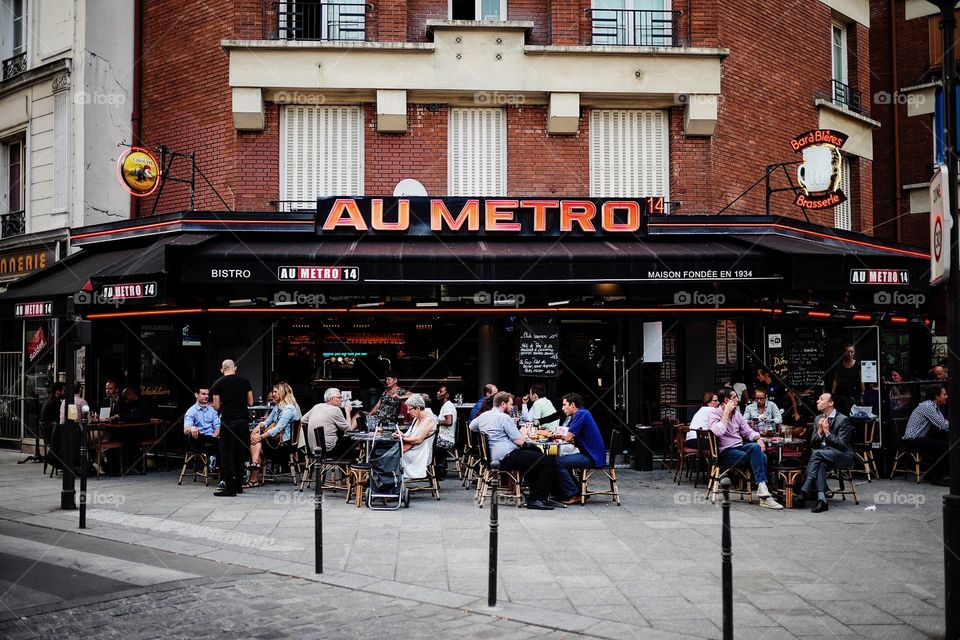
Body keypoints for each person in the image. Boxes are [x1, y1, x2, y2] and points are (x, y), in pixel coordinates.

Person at [470, 391, 558, 510]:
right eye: (511, 404)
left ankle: (535, 495)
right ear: (503, 404)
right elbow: (520, 442)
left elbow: (471, 426)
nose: (512, 407)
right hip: (506, 456)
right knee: (548, 461)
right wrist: (524, 431)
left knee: (536, 455)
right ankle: (536, 499)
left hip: (492, 456)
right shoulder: (504, 417)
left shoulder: (484, 415)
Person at [707, 387, 783, 509]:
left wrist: (758, 438)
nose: (738, 400)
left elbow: (748, 431)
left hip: (739, 447)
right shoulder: (713, 413)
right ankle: (764, 494)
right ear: (727, 401)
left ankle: (763, 491)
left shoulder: (737, 414)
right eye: (734, 397)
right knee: (760, 455)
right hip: (725, 453)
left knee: (758, 450)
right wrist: (726, 413)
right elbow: (718, 431)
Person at [798, 392, 854, 513]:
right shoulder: (818, 418)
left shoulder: (843, 420)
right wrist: (819, 431)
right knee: (820, 462)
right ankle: (822, 500)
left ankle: (805, 488)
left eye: (821, 399)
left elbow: (842, 445)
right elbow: (812, 443)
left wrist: (827, 433)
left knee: (817, 454)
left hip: (842, 455)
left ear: (831, 403)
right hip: (822, 456)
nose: (818, 401)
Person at [554, 393, 607, 505]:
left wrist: (556, 436)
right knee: (561, 460)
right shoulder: (582, 413)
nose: (563, 408)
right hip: (591, 454)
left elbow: (568, 437)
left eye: (564, 405)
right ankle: (577, 491)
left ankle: (574, 494)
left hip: (592, 457)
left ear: (572, 405)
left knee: (558, 462)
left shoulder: (580, 414)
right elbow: (571, 437)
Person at [210, 359, 254, 497]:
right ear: (235, 368)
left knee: (228, 453)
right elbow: (250, 402)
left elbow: (216, 406)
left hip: (228, 422)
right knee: (240, 453)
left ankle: (229, 487)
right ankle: (239, 485)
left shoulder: (218, 383)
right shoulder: (245, 382)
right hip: (242, 422)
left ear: (222, 370)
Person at [247, 381, 301, 488]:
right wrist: (258, 426)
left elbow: (279, 428)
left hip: (284, 446)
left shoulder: (289, 409)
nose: (273, 394)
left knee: (256, 443)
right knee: (256, 442)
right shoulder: (278, 407)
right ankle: (254, 473)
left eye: (276, 392)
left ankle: (254, 475)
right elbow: (268, 421)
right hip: (275, 442)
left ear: (283, 392)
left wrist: (261, 436)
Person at [903, 385, 950, 485]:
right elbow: (943, 425)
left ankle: (931, 473)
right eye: (944, 394)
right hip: (913, 439)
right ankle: (937, 479)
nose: (947, 396)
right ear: (936, 396)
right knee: (944, 447)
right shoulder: (928, 407)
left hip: (920, 438)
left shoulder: (934, 406)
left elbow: (942, 424)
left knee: (946, 439)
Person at [303, 387, 359, 459]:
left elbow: (303, 421)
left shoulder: (317, 406)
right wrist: (348, 411)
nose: (341, 400)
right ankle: (350, 467)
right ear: (332, 399)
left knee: (342, 439)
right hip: (328, 450)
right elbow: (348, 430)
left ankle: (347, 466)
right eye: (339, 397)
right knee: (349, 439)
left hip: (313, 449)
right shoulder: (335, 410)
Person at [394, 394, 436, 480]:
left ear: (418, 408)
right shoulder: (417, 418)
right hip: (414, 449)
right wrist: (401, 434)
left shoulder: (428, 420)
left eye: (410, 409)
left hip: (421, 453)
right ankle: (388, 481)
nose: (408, 412)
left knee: (392, 455)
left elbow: (418, 440)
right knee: (388, 452)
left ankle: (392, 482)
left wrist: (402, 438)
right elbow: (410, 435)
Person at [183, 386, 220, 457]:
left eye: (207, 394)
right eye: (203, 394)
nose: (206, 396)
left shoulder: (212, 410)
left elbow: (217, 426)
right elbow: (185, 430)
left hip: (211, 438)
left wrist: (214, 436)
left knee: (225, 442)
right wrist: (192, 428)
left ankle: (216, 465)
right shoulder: (191, 411)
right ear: (196, 395)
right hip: (198, 440)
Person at [830, 344, 863, 416]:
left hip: (854, 394)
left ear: (854, 353)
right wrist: (833, 393)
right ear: (844, 352)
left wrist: (862, 393)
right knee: (842, 413)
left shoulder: (858, 365)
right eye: (848, 352)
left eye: (852, 352)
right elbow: (835, 379)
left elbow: (861, 380)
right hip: (841, 394)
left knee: (853, 413)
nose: (850, 354)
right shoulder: (839, 365)